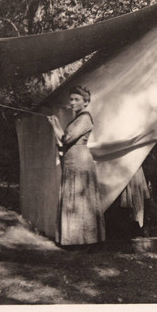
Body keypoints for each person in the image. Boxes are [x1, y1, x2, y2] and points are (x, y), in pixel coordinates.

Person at [48, 85, 105, 246]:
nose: (72, 102)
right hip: (72, 162)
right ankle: (74, 239)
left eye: (76, 99)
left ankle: (87, 241)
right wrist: (56, 124)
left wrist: (55, 125)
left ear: (86, 102)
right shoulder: (77, 118)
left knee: (81, 201)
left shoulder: (85, 118)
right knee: (73, 200)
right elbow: (64, 139)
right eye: (71, 99)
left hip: (80, 163)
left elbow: (67, 139)